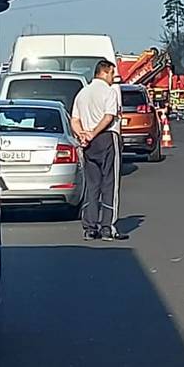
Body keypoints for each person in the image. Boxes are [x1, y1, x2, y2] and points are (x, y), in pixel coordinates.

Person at [70, 59, 128, 241]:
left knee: (92, 184)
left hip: (87, 143)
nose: (113, 77)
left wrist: (82, 135)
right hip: (106, 138)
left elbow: (74, 119)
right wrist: (94, 133)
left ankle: (89, 227)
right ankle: (107, 227)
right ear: (104, 72)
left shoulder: (82, 93)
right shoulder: (109, 92)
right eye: (112, 73)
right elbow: (109, 116)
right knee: (110, 183)